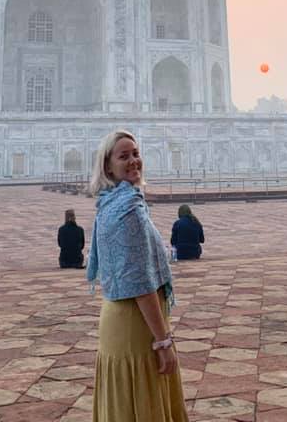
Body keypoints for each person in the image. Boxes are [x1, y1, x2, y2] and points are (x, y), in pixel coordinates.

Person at [87, 129, 188, 422]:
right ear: (108, 166)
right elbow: (141, 283)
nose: (133, 161)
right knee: (145, 404)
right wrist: (163, 342)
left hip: (116, 318)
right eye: (123, 156)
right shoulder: (128, 209)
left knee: (124, 407)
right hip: (136, 323)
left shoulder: (108, 203)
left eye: (135, 153)